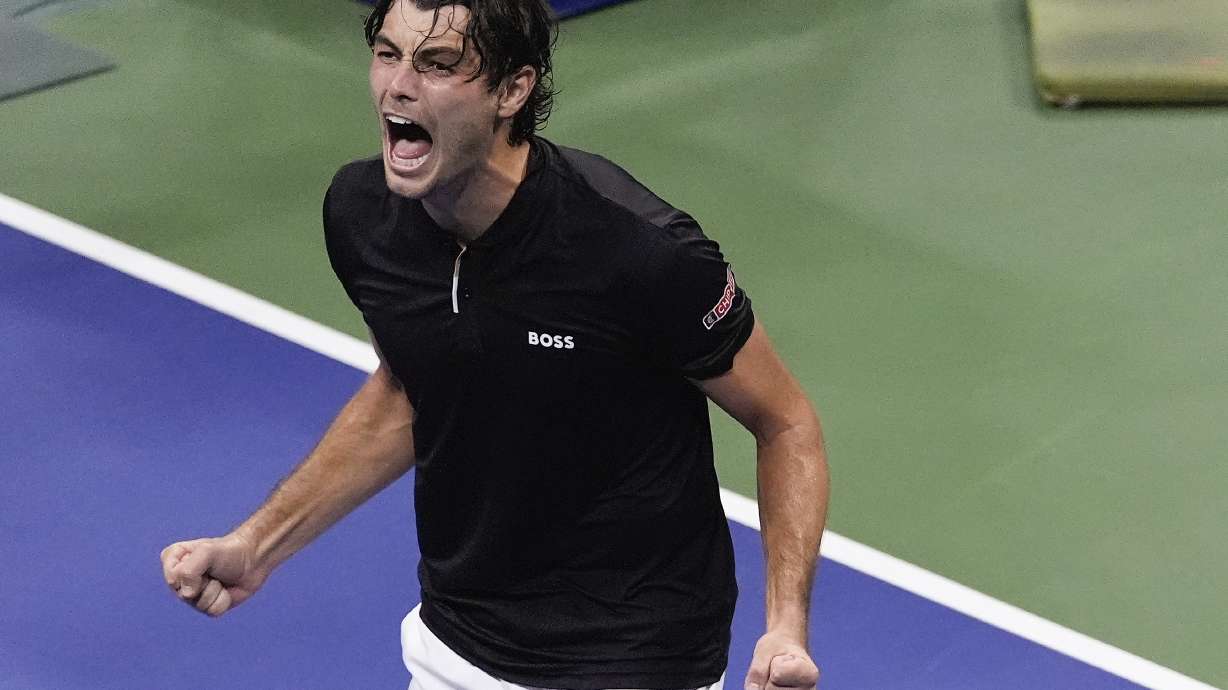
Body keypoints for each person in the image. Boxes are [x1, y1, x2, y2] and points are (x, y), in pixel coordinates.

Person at [160, 1, 830, 689]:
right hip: (458, 643)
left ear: (513, 90)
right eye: (387, 54)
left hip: (636, 659)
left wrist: (785, 626)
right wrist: (258, 546)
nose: (398, 86)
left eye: (438, 65)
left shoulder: (637, 252)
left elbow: (785, 421)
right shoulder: (362, 216)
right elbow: (411, 389)